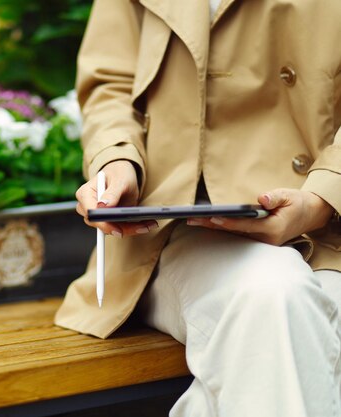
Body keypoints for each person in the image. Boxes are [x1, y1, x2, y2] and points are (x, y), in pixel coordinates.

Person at [54, 0, 341, 415]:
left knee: (282, 316)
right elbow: (111, 85)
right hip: (171, 231)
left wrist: (321, 199)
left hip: (327, 230)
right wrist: (117, 159)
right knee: (273, 295)